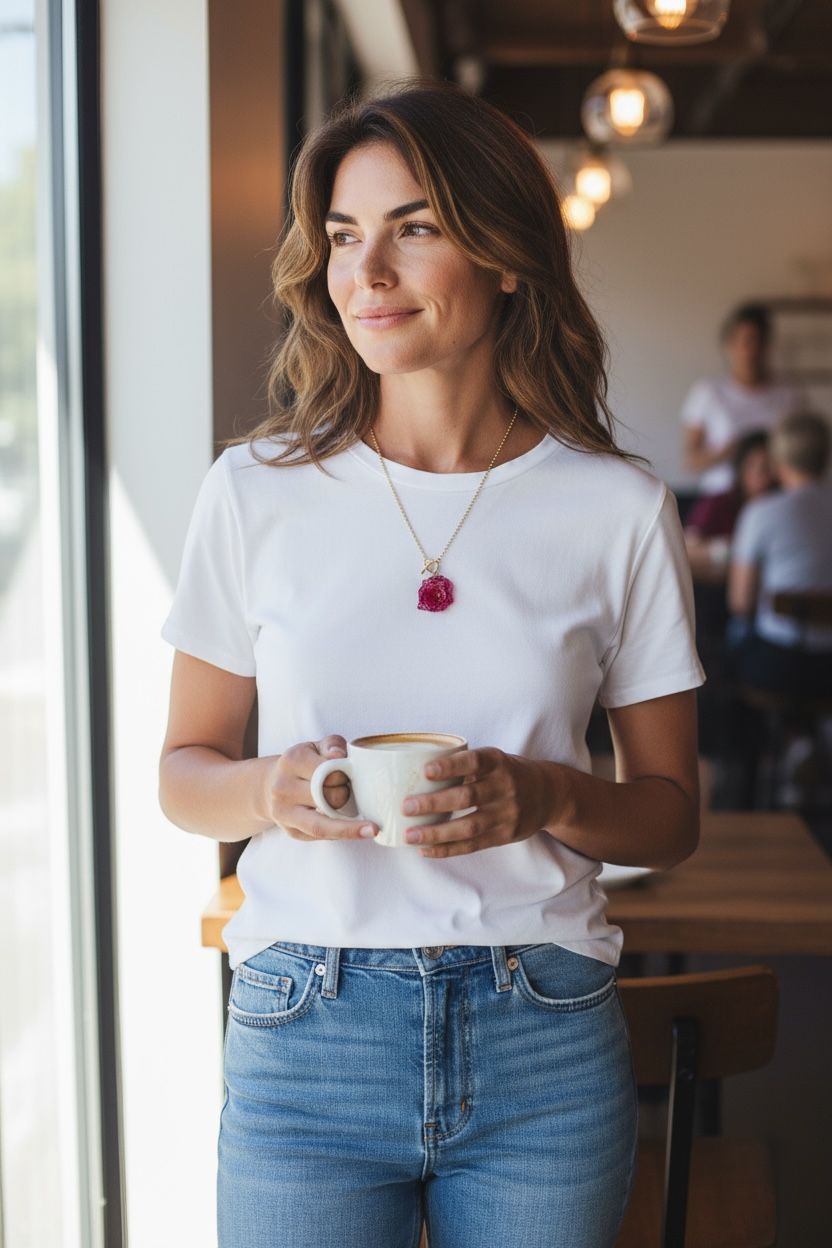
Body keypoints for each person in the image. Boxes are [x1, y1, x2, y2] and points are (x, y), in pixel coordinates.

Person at [159, 77, 705, 1248]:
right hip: (305, 1027)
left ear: (507, 256)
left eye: (414, 228)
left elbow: (668, 818)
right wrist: (272, 792)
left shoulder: (615, 507)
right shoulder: (254, 491)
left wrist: (546, 795)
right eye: (345, 238)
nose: (367, 272)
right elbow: (182, 773)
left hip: (541, 1034)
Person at [680, 302, 805, 496]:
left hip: (775, 497)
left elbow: (802, 453)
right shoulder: (708, 393)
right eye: (747, 341)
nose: (753, 350)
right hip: (722, 498)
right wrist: (730, 451)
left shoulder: (789, 394)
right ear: (730, 345)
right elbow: (690, 460)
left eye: (760, 342)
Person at [684, 428, 775, 579]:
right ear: (739, 469)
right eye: (751, 465)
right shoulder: (717, 503)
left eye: (767, 466)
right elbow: (687, 551)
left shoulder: (785, 507)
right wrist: (732, 553)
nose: (760, 474)